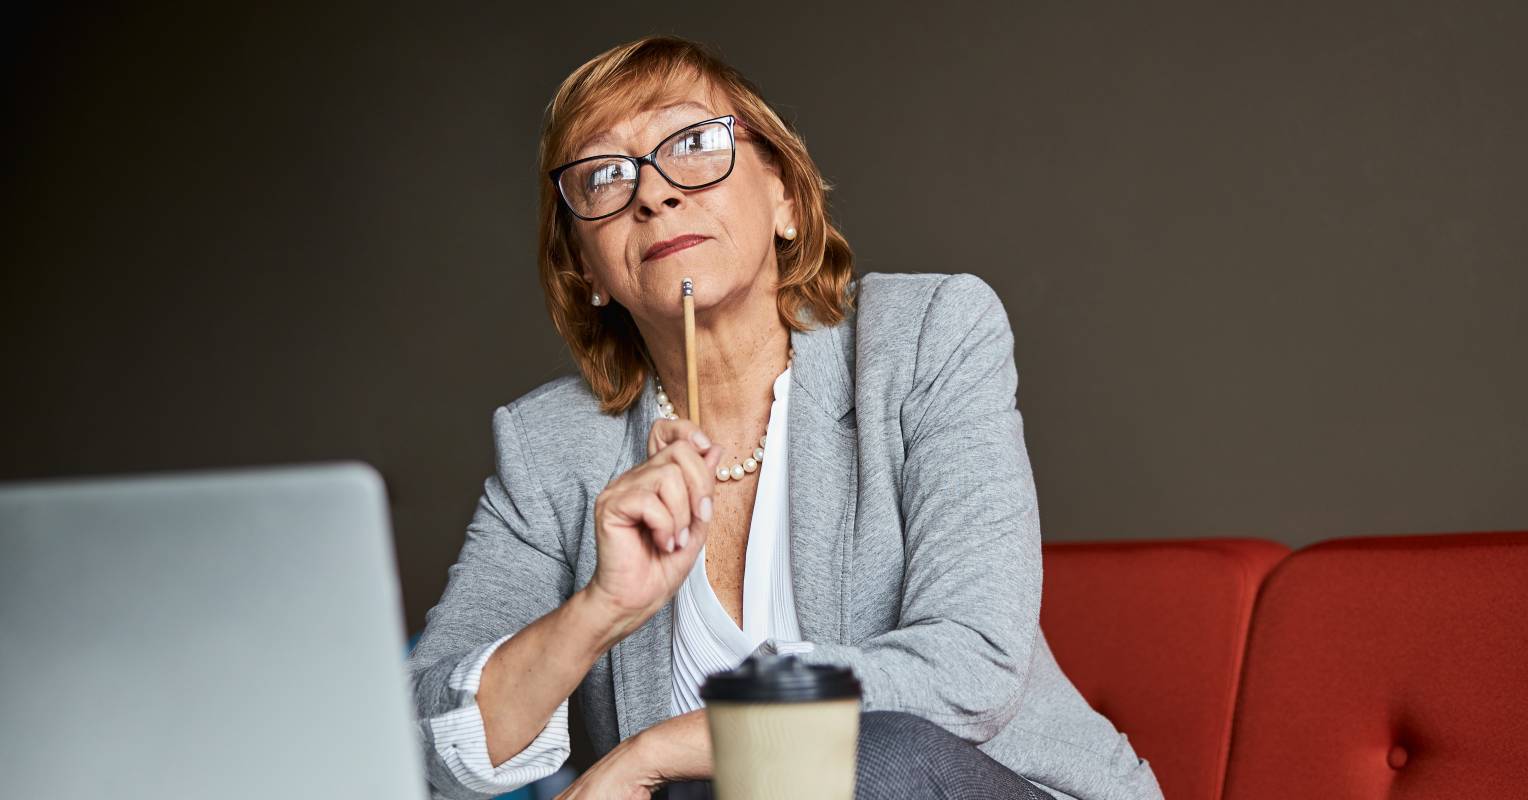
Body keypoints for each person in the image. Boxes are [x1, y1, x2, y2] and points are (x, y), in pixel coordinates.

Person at [404, 34, 1164, 800]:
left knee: (842, 761)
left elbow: (972, 664)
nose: (654, 193)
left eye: (695, 144)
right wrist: (599, 610)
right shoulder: (551, 448)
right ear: (585, 269)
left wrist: (655, 754)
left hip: (963, 786)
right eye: (605, 175)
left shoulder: (927, 337)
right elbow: (425, 745)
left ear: (786, 200)